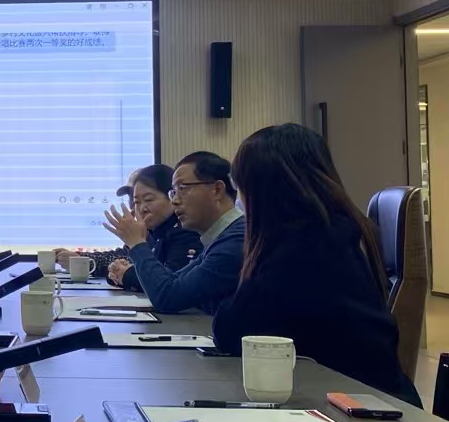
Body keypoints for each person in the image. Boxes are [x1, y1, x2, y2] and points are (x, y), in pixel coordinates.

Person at [213, 124, 421, 406]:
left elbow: (231, 329)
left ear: (264, 192)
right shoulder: (333, 231)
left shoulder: (303, 248)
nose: (239, 201)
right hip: (356, 395)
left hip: (361, 409)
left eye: (242, 189)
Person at [102, 151, 244, 314]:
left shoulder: (235, 241)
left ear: (217, 190)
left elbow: (167, 296)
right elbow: (173, 281)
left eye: (182, 189)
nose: (175, 201)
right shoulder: (221, 238)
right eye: (173, 192)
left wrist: (136, 243)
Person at [104, 165, 203, 290]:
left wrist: (127, 275)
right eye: (136, 202)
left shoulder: (186, 231)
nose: (141, 208)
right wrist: (116, 271)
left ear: (172, 197)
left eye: (148, 199)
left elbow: (170, 283)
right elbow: (123, 262)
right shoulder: (151, 232)